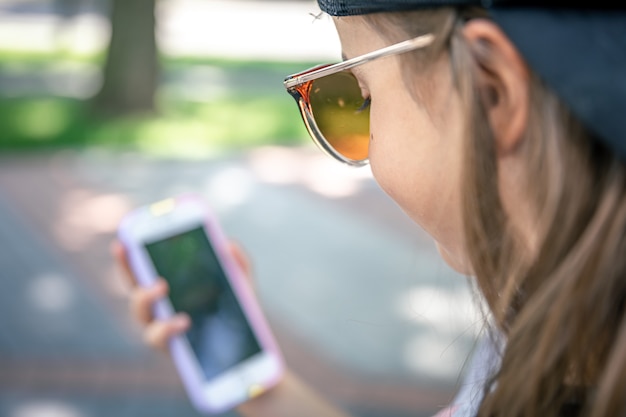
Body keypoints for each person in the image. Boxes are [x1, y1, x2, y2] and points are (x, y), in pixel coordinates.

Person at [114, 1, 626, 416]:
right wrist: (263, 388)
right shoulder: (539, 330)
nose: (362, 143)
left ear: (492, 92)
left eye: (361, 97)